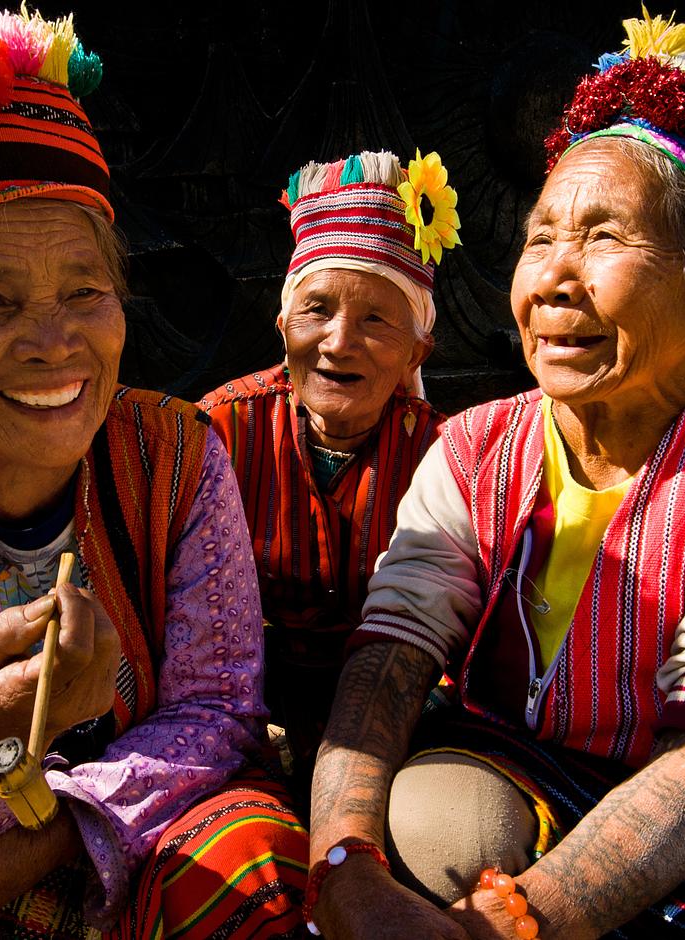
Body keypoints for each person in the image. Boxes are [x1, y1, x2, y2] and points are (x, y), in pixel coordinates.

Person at [0, 8, 307, 939]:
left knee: (250, 860)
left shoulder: (175, 455)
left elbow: (221, 715)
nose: (57, 345)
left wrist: (55, 832)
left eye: (85, 290)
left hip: (154, 845)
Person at [306, 9, 685, 940]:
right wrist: (343, 869)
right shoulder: (478, 448)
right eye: (539, 237)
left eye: (602, 238)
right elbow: (393, 654)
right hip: (517, 781)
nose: (554, 279)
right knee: (432, 822)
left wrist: (519, 924)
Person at [198, 150, 461, 792]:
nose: (339, 342)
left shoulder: (446, 454)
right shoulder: (222, 431)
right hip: (244, 695)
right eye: (317, 311)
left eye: (375, 319)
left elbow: (459, 635)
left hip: (394, 699)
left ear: (415, 352)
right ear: (284, 325)